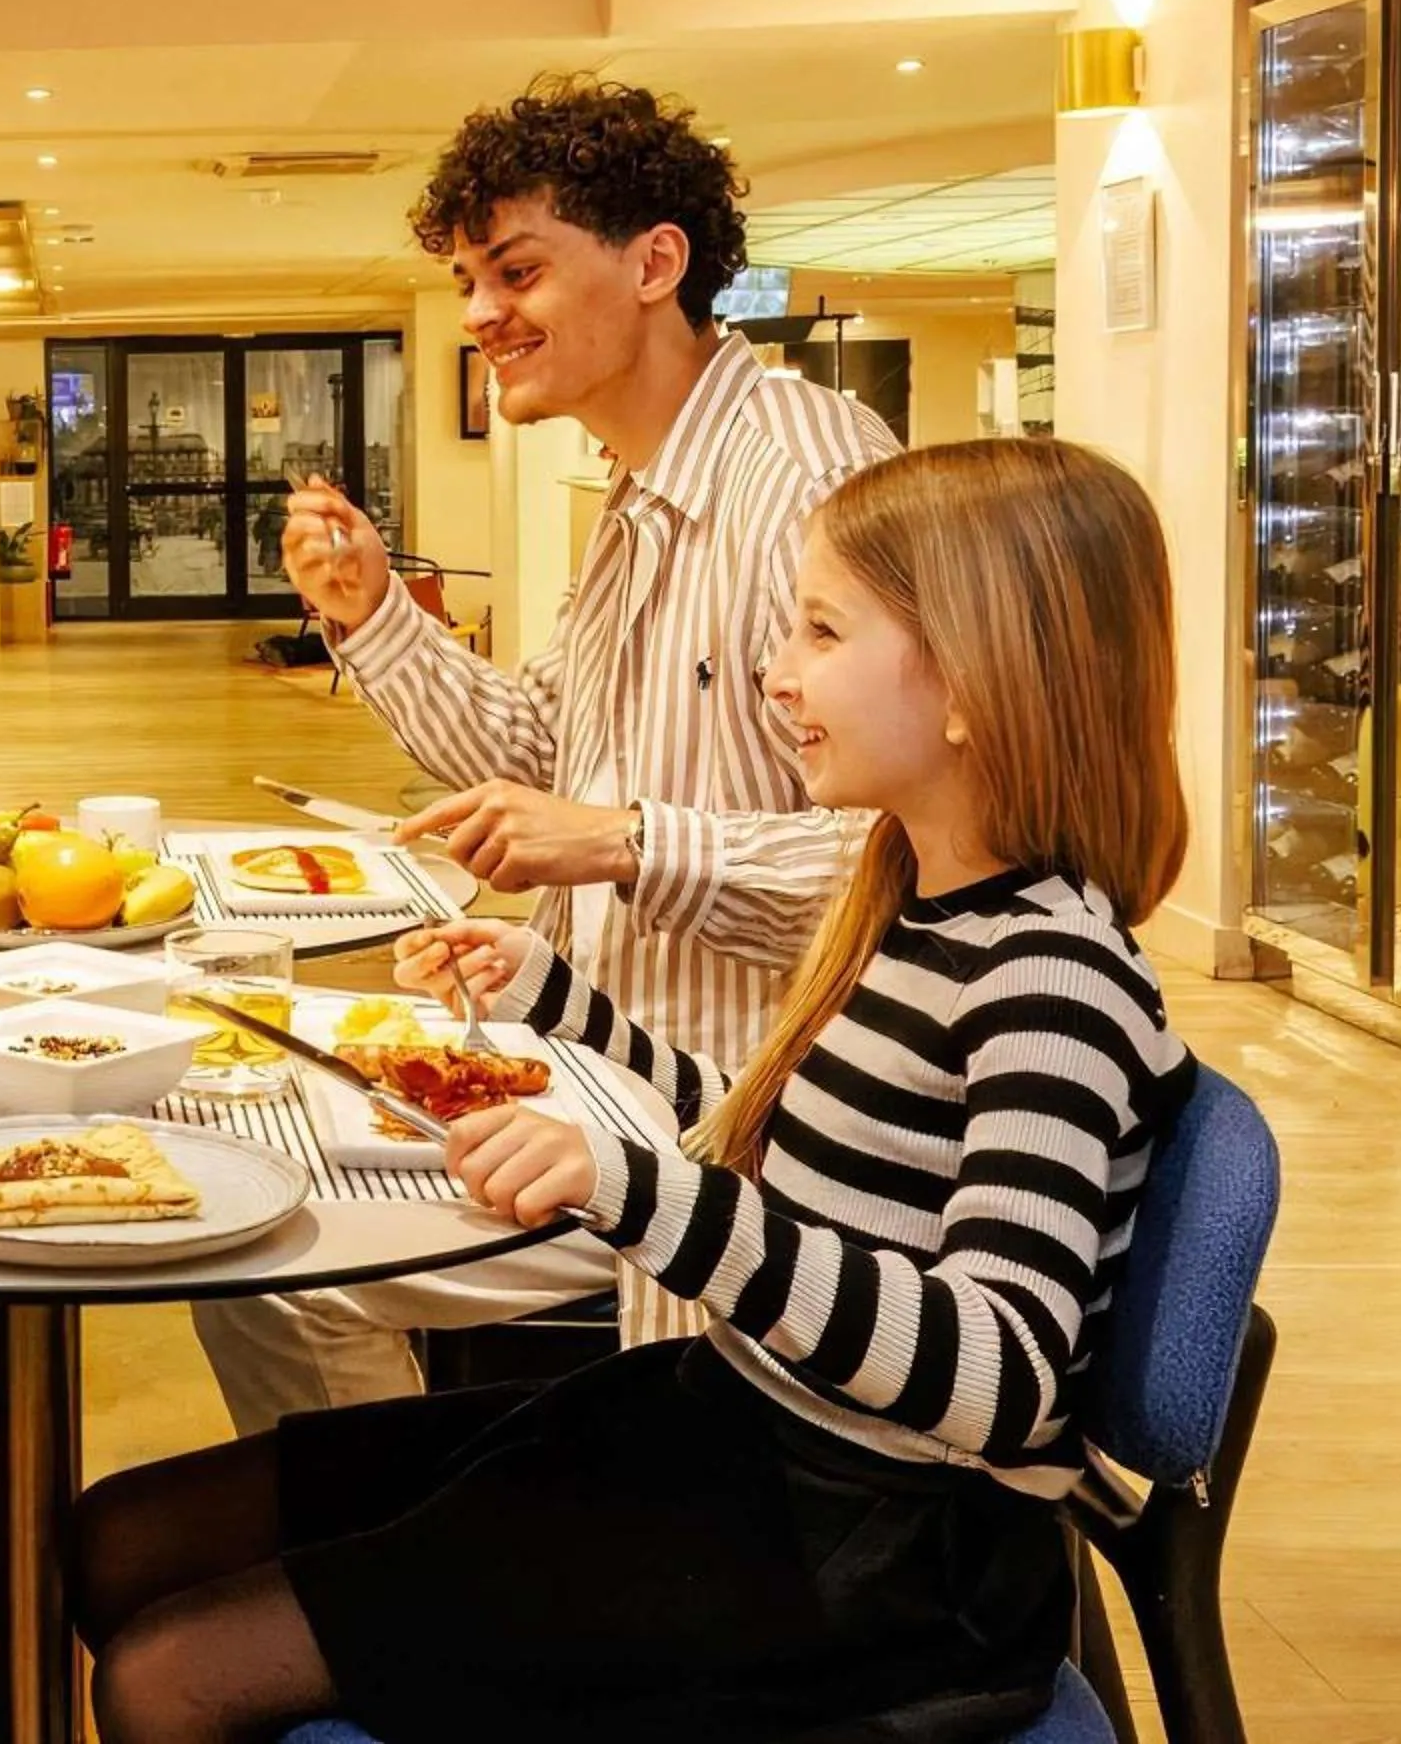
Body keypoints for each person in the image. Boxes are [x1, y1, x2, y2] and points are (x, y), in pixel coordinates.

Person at [70, 438, 1196, 1744]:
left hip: (874, 1559)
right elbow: (812, 1146)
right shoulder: (914, 895)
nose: (777, 676)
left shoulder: (1050, 978)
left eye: (822, 631)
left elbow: (999, 1367)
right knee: (119, 1535)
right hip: (740, 1433)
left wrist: (641, 1192)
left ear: (973, 681)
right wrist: (565, 1000)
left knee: (165, 1675)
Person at [201, 74, 903, 1429]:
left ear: (655, 262)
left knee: (269, 1246)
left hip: (743, 1127)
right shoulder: (636, 494)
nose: (478, 314)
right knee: (257, 1142)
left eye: (514, 270)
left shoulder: (810, 482)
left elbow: (911, 853)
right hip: (592, 1055)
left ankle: (393, 1573)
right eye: (466, 279)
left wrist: (624, 840)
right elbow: (537, 748)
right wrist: (369, 612)